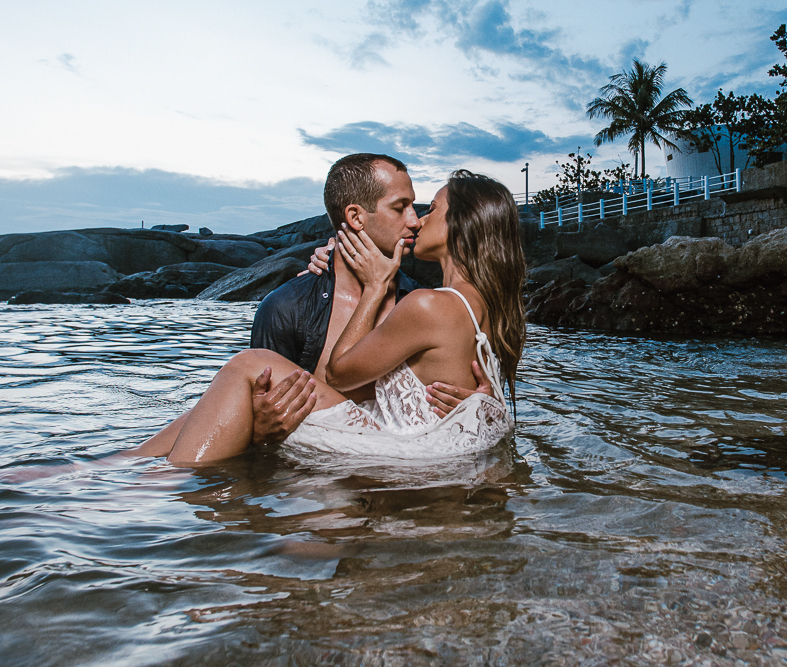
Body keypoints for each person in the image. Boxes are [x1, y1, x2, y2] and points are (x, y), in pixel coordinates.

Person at [131, 170, 525, 464]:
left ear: (460, 224)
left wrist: (374, 288)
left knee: (249, 364)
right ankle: (124, 464)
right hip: (430, 451)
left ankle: (151, 489)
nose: (417, 220)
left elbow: (338, 374)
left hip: (409, 460)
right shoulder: (486, 307)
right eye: (404, 208)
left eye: (431, 209)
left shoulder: (427, 304)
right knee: (222, 399)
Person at [248, 153, 493, 447]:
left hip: (394, 477)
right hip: (306, 483)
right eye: (400, 207)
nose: (415, 221)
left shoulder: (421, 303)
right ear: (355, 217)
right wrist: (257, 428)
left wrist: (482, 406)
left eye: (416, 206)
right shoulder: (287, 307)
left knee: (241, 366)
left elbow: (468, 387)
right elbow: (259, 409)